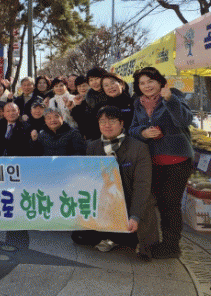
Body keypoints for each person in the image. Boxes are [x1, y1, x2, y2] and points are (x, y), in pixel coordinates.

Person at [71, 106, 158, 261]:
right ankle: (115, 237)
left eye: (112, 121)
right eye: (102, 121)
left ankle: (121, 237)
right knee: (79, 236)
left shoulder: (139, 148)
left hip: (130, 200)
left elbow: (142, 185)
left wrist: (135, 216)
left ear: (121, 123)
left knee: (138, 234)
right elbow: (89, 181)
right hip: (106, 202)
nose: (107, 125)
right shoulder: (93, 147)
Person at [129, 66, 193, 259]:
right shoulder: (138, 103)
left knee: (170, 204)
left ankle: (172, 246)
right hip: (152, 161)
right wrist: (143, 132)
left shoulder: (174, 95)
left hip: (177, 160)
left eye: (151, 81)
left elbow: (185, 120)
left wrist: (170, 100)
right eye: (142, 83)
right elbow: (132, 129)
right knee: (155, 203)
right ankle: (155, 242)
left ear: (160, 81)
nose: (147, 86)